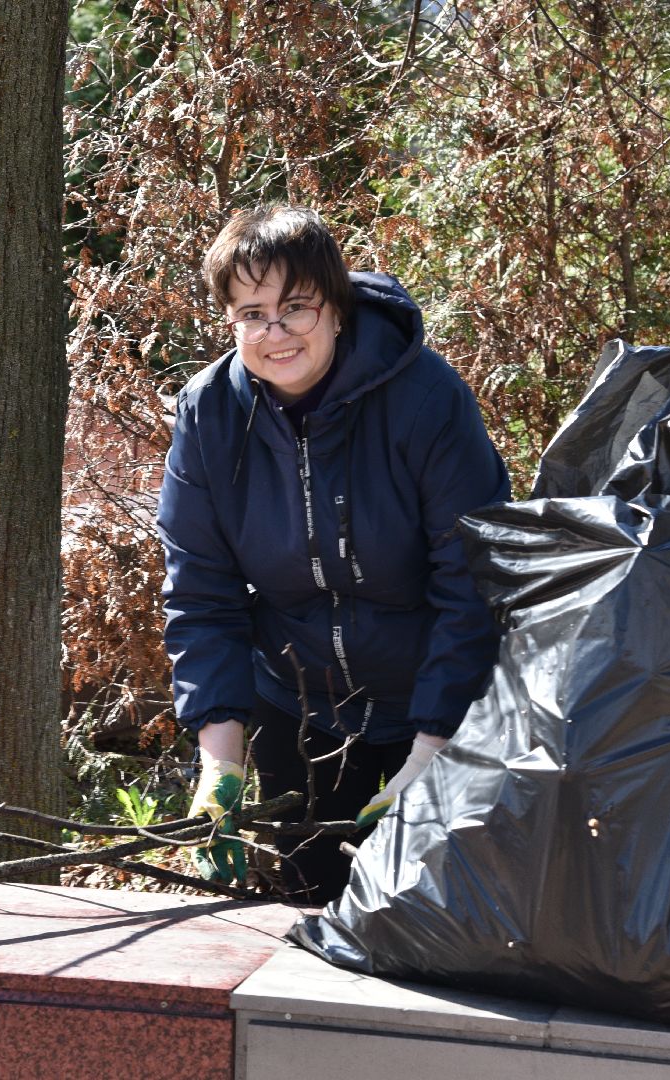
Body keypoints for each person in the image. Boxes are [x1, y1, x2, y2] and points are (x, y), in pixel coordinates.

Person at [157, 205, 509, 904]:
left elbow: (472, 580)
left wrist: (431, 755)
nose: (274, 333)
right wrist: (219, 769)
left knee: (432, 922)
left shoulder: (425, 398)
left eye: (296, 308)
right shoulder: (208, 416)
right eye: (251, 313)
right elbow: (202, 594)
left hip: (432, 701)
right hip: (302, 706)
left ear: (338, 308)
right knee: (311, 921)